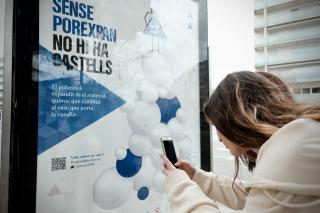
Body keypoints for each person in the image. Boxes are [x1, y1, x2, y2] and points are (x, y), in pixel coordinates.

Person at [160, 71, 320, 212]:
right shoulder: (297, 137)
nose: (219, 138)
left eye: (217, 125)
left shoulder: (288, 152)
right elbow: (253, 196)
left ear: (235, 119)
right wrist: (195, 176)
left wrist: (178, 185)